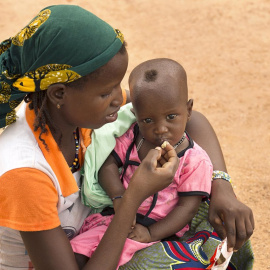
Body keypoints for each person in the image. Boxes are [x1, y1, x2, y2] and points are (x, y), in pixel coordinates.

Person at [0, 4, 254, 270]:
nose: (118, 99)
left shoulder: (72, 113)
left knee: (220, 217)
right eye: (106, 92)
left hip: (106, 228)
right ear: (59, 93)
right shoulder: (25, 174)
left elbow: (193, 119)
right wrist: (131, 198)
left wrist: (222, 186)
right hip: (90, 250)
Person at [70, 58, 213, 268]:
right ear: (135, 115)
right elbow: (107, 166)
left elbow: (186, 208)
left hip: (158, 232)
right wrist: (119, 197)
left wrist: (150, 233)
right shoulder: (132, 138)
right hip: (115, 220)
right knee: (75, 254)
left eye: (171, 116)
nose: (161, 128)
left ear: (189, 109)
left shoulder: (195, 160)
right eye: (148, 120)